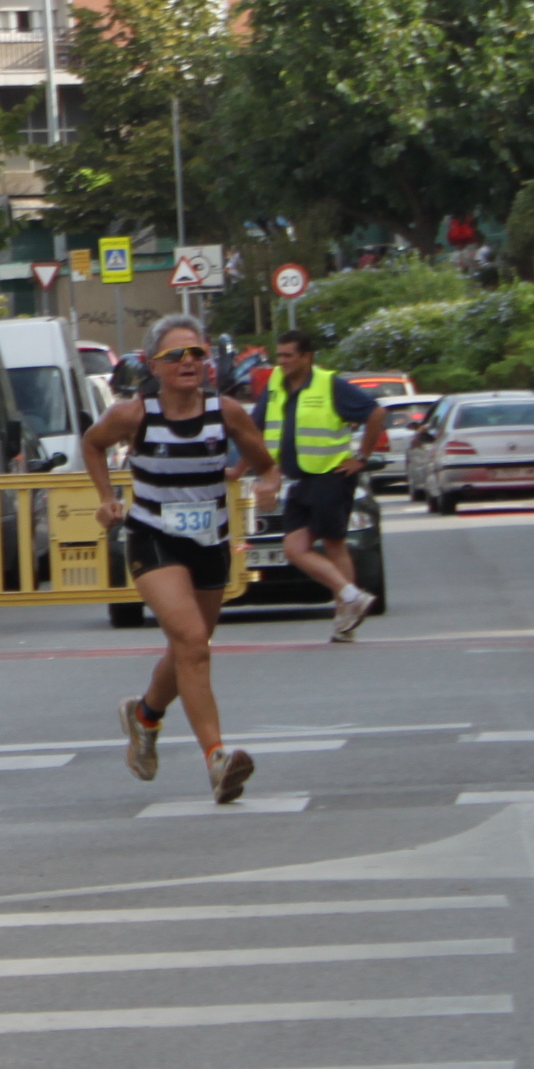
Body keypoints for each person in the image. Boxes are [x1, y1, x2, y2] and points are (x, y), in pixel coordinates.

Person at [84, 314, 279, 805]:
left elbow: (266, 464)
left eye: (196, 353)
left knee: (189, 647)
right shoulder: (134, 415)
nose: (188, 362)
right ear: (154, 366)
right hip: (154, 539)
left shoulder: (226, 412)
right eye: (176, 355)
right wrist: (106, 498)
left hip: (210, 542)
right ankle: (217, 759)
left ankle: (145, 716)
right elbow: (92, 443)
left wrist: (268, 484)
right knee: (192, 640)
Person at [261, 323, 386, 641]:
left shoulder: (330, 384)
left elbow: (376, 413)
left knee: (333, 545)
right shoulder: (276, 383)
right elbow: (254, 426)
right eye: (279, 356)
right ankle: (351, 597)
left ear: (307, 357)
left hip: (330, 475)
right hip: (299, 479)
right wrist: (246, 469)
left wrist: (361, 457)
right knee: (294, 549)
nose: (282, 361)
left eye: (288, 356)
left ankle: (345, 619)